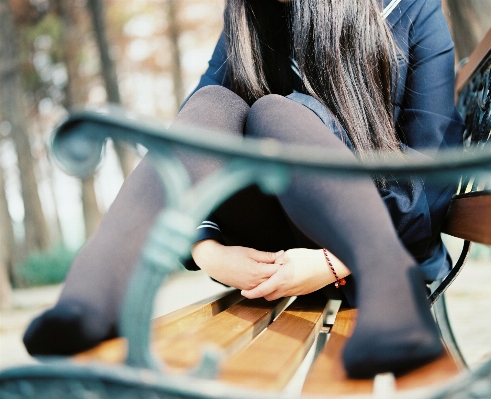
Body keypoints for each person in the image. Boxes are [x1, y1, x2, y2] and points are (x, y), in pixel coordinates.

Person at [24, 0, 464, 379]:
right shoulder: (251, 16)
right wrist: (204, 246)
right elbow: (194, 142)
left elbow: (431, 178)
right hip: (276, 250)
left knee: (277, 113)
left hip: (378, 247)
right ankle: (90, 300)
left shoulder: (411, 9)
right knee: (211, 104)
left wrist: (334, 262)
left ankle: (395, 300)